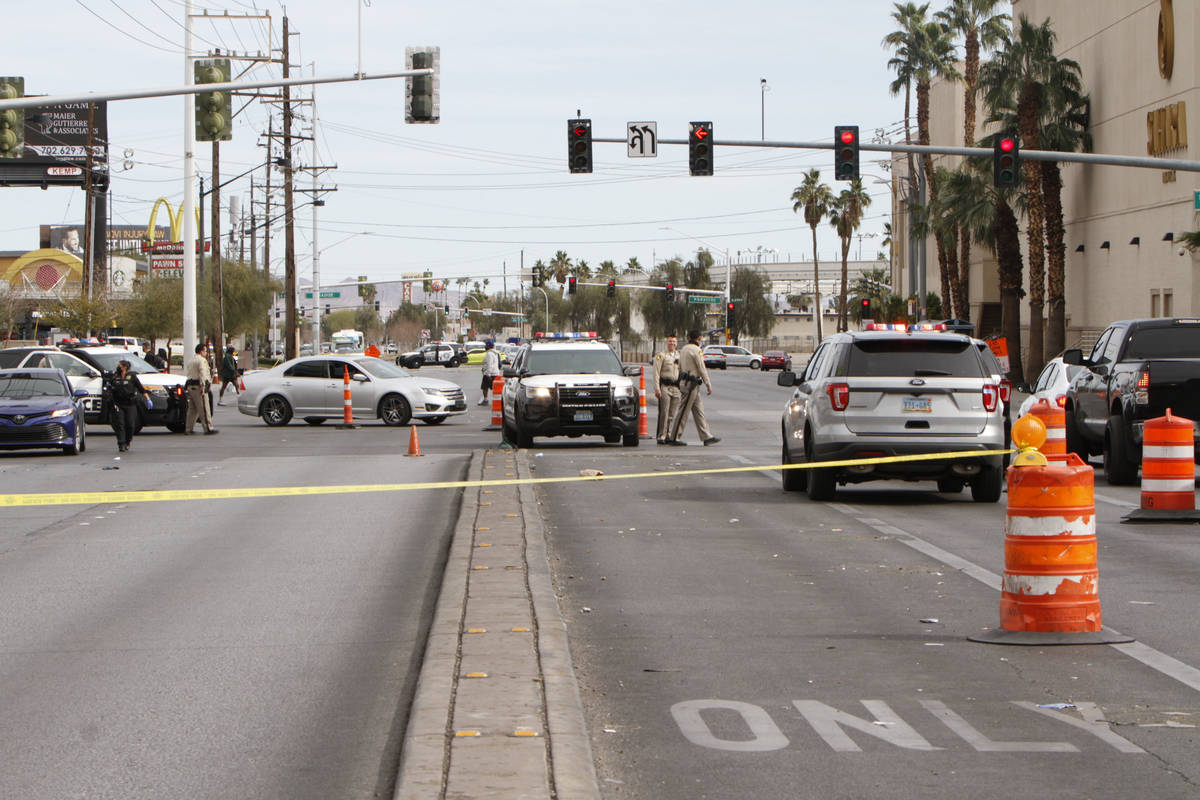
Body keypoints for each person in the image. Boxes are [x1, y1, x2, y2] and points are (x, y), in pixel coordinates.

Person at [665, 330, 719, 446]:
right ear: (699, 338)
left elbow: (679, 366)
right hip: (691, 384)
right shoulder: (696, 350)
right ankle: (675, 437)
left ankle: (706, 436)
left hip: (685, 382)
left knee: (699, 410)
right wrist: (708, 384)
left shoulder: (683, 349)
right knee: (683, 411)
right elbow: (701, 368)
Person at [108, 359, 150, 452]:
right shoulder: (115, 376)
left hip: (130, 404)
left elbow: (141, 389)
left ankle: (127, 441)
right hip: (118, 404)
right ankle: (121, 443)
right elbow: (109, 388)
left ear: (124, 367)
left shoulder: (132, 376)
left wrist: (148, 399)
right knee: (120, 424)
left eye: (119, 365)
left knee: (130, 424)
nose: (118, 367)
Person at [653, 334, 682, 445]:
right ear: (667, 342)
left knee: (672, 414)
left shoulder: (679, 356)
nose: (672, 343)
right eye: (670, 341)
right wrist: (657, 388)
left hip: (676, 388)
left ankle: (669, 434)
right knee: (664, 413)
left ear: (677, 343)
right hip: (665, 387)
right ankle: (661, 435)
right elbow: (656, 373)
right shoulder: (661, 356)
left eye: (674, 341)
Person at [185, 343, 218, 435]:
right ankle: (208, 428)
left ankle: (188, 428)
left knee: (192, 409)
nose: (206, 353)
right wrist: (203, 386)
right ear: (201, 351)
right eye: (205, 351)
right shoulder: (202, 360)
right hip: (199, 387)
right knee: (204, 408)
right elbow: (202, 374)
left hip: (190, 386)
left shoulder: (191, 360)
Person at [479, 340, 502, 406]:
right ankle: (498, 401)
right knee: (495, 388)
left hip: (490, 374)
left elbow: (489, 364)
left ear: (488, 346)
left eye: (486, 345)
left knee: (484, 387)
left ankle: (485, 400)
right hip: (496, 373)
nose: (485, 347)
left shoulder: (489, 354)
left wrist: (488, 374)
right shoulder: (495, 353)